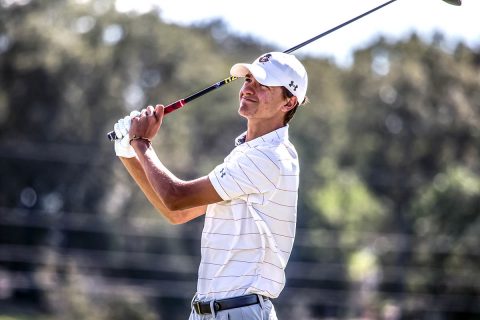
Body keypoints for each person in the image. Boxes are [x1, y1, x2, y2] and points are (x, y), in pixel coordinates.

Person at [113, 52, 309, 319]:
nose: (248, 89)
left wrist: (141, 143)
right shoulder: (247, 153)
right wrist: (128, 152)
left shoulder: (269, 157)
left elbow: (176, 197)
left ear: (289, 103)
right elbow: (177, 213)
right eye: (248, 79)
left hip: (239, 312)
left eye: (263, 85)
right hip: (210, 312)